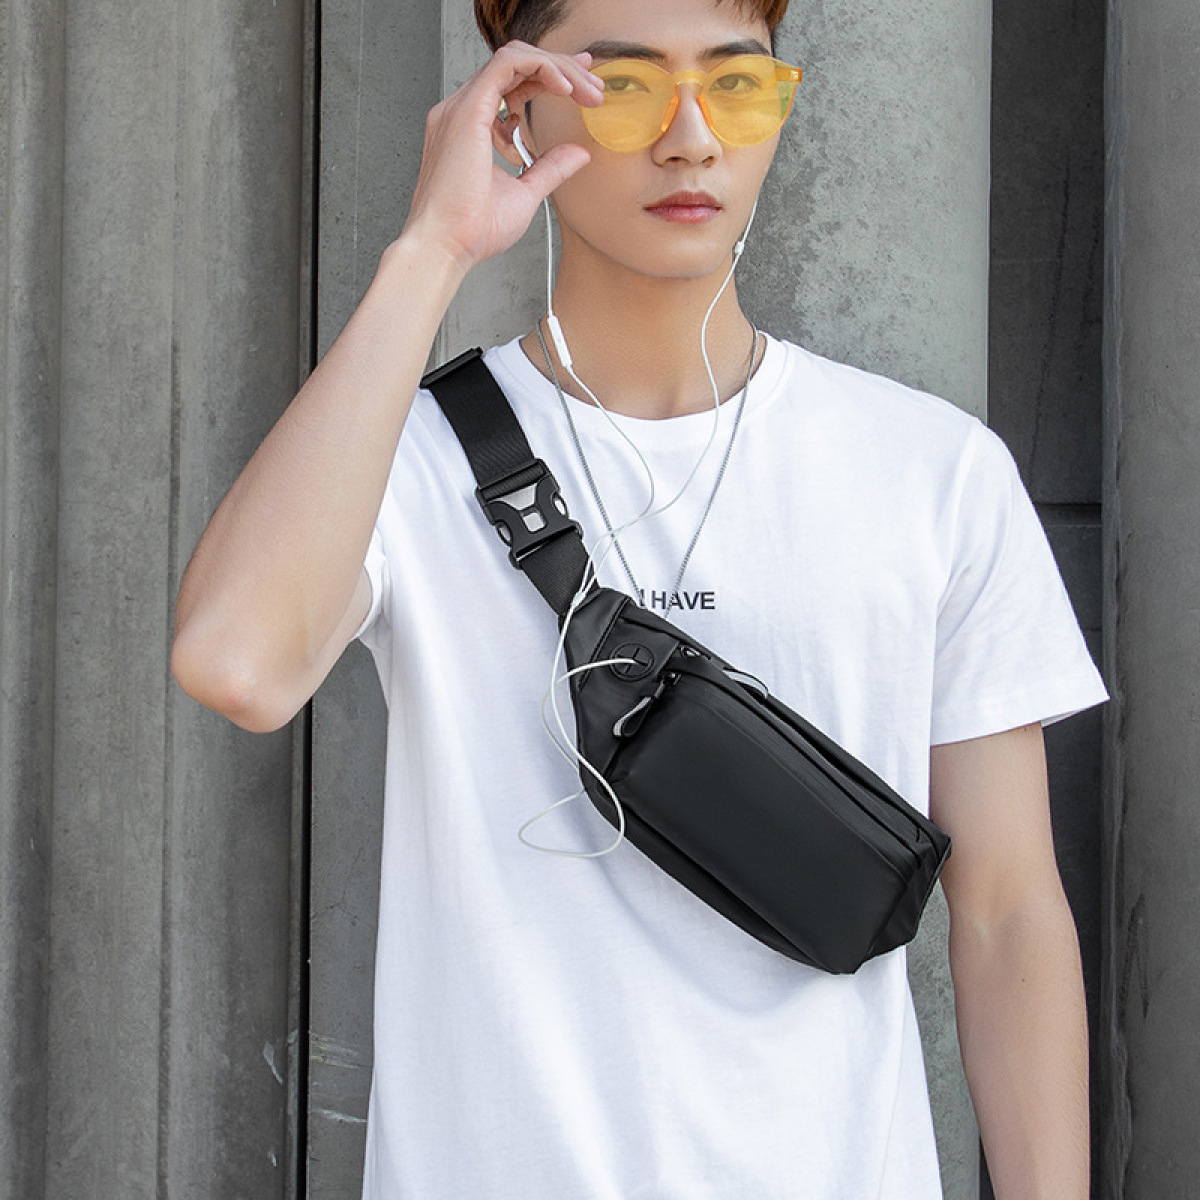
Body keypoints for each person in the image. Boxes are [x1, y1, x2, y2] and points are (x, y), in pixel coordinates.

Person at [172, 0, 1108, 1194]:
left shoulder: (933, 471)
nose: (691, 136)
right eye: (622, 86)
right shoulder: (397, 463)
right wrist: (432, 250)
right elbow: (237, 665)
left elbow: (1009, 915)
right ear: (517, 110)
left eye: (738, 84)